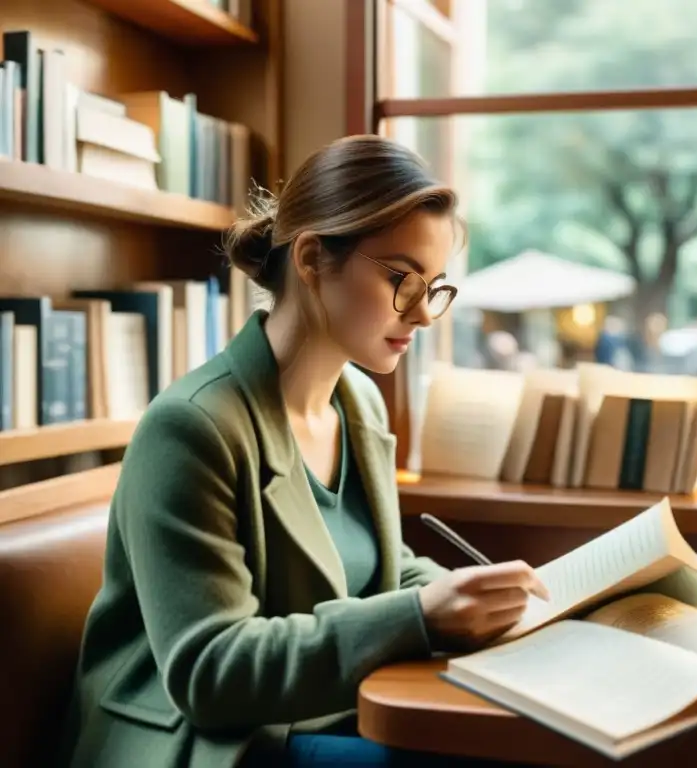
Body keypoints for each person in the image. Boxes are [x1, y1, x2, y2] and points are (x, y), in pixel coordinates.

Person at [55, 135, 549, 768]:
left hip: (324, 715)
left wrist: (487, 600)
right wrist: (423, 617)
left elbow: (381, 572)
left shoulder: (358, 403)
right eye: (403, 279)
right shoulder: (190, 428)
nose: (424, 315)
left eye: (436, 287)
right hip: (207, 744)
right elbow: (209, 671)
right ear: (314, 258)